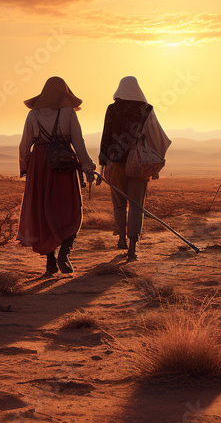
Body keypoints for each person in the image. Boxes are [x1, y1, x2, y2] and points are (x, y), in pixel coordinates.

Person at [17, 77, 96, 276]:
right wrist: (87, 167)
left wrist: (26, 168)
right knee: (71, 210)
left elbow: (24, 144)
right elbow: (79, 142)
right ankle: (65, 253)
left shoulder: (33, 115)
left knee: (45, 211)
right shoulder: (68, 112)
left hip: (40, 164)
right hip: (64, 163)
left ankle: (51, 261)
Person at [98, 76, 171, 262]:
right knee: (137, 205)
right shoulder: (146, 110)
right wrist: (154, 163)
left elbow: (105, 137)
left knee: (119, 203)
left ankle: (121, 237)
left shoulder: (112, 109)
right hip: (138, 164)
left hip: (114, 163)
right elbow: (158, 138)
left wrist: (101, 164)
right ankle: (132, 247)